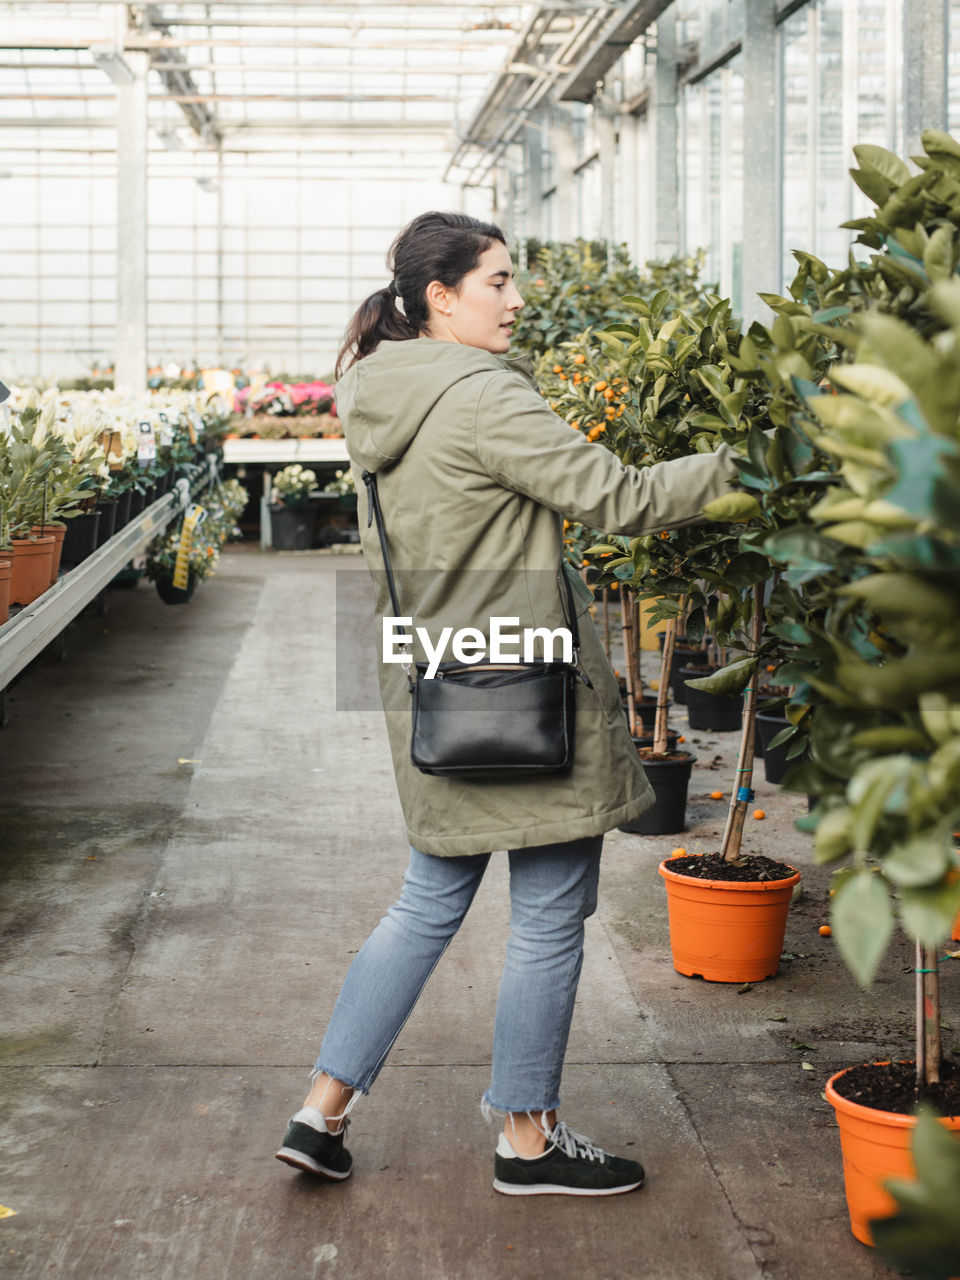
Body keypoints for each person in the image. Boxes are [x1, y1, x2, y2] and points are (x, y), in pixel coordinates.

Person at [276, 211, 743, 1196]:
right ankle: (526, 1139)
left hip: (440, 686)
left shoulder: (376, 395)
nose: (517, 298)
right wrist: (758, 468)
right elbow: (621, 496)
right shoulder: (481, 397)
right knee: (545, 919)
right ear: (441, 296)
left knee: (424, 904)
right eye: (498, 280)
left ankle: (321, 1110)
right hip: (527, 694)